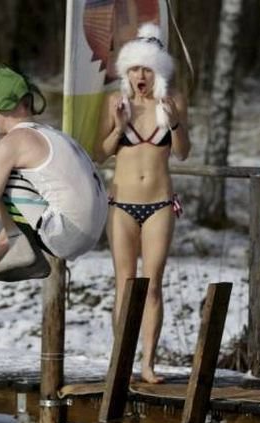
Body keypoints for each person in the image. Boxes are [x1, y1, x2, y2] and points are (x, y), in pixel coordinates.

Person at [0, 66, 108, 296]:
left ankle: (20, 245)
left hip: (66, 233)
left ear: (3, 107)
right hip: (92, 233)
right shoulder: (54, 135)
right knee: (22, 230)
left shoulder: (14, 143)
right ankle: (20, 246)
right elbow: (23, 216)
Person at [95, 23, 190, 384]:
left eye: (147, 70)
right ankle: (120, 361)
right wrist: (119, 128)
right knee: (124, 283)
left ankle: (148, 363)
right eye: (135, 69)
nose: (140, 76)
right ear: (126, 71)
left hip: (159, 205)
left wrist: (175, 124)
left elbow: (182, 153)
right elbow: (101, 153)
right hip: (121, 205)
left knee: (151, 285)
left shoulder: (173, 102)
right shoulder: (115, 103)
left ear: (158, 72)